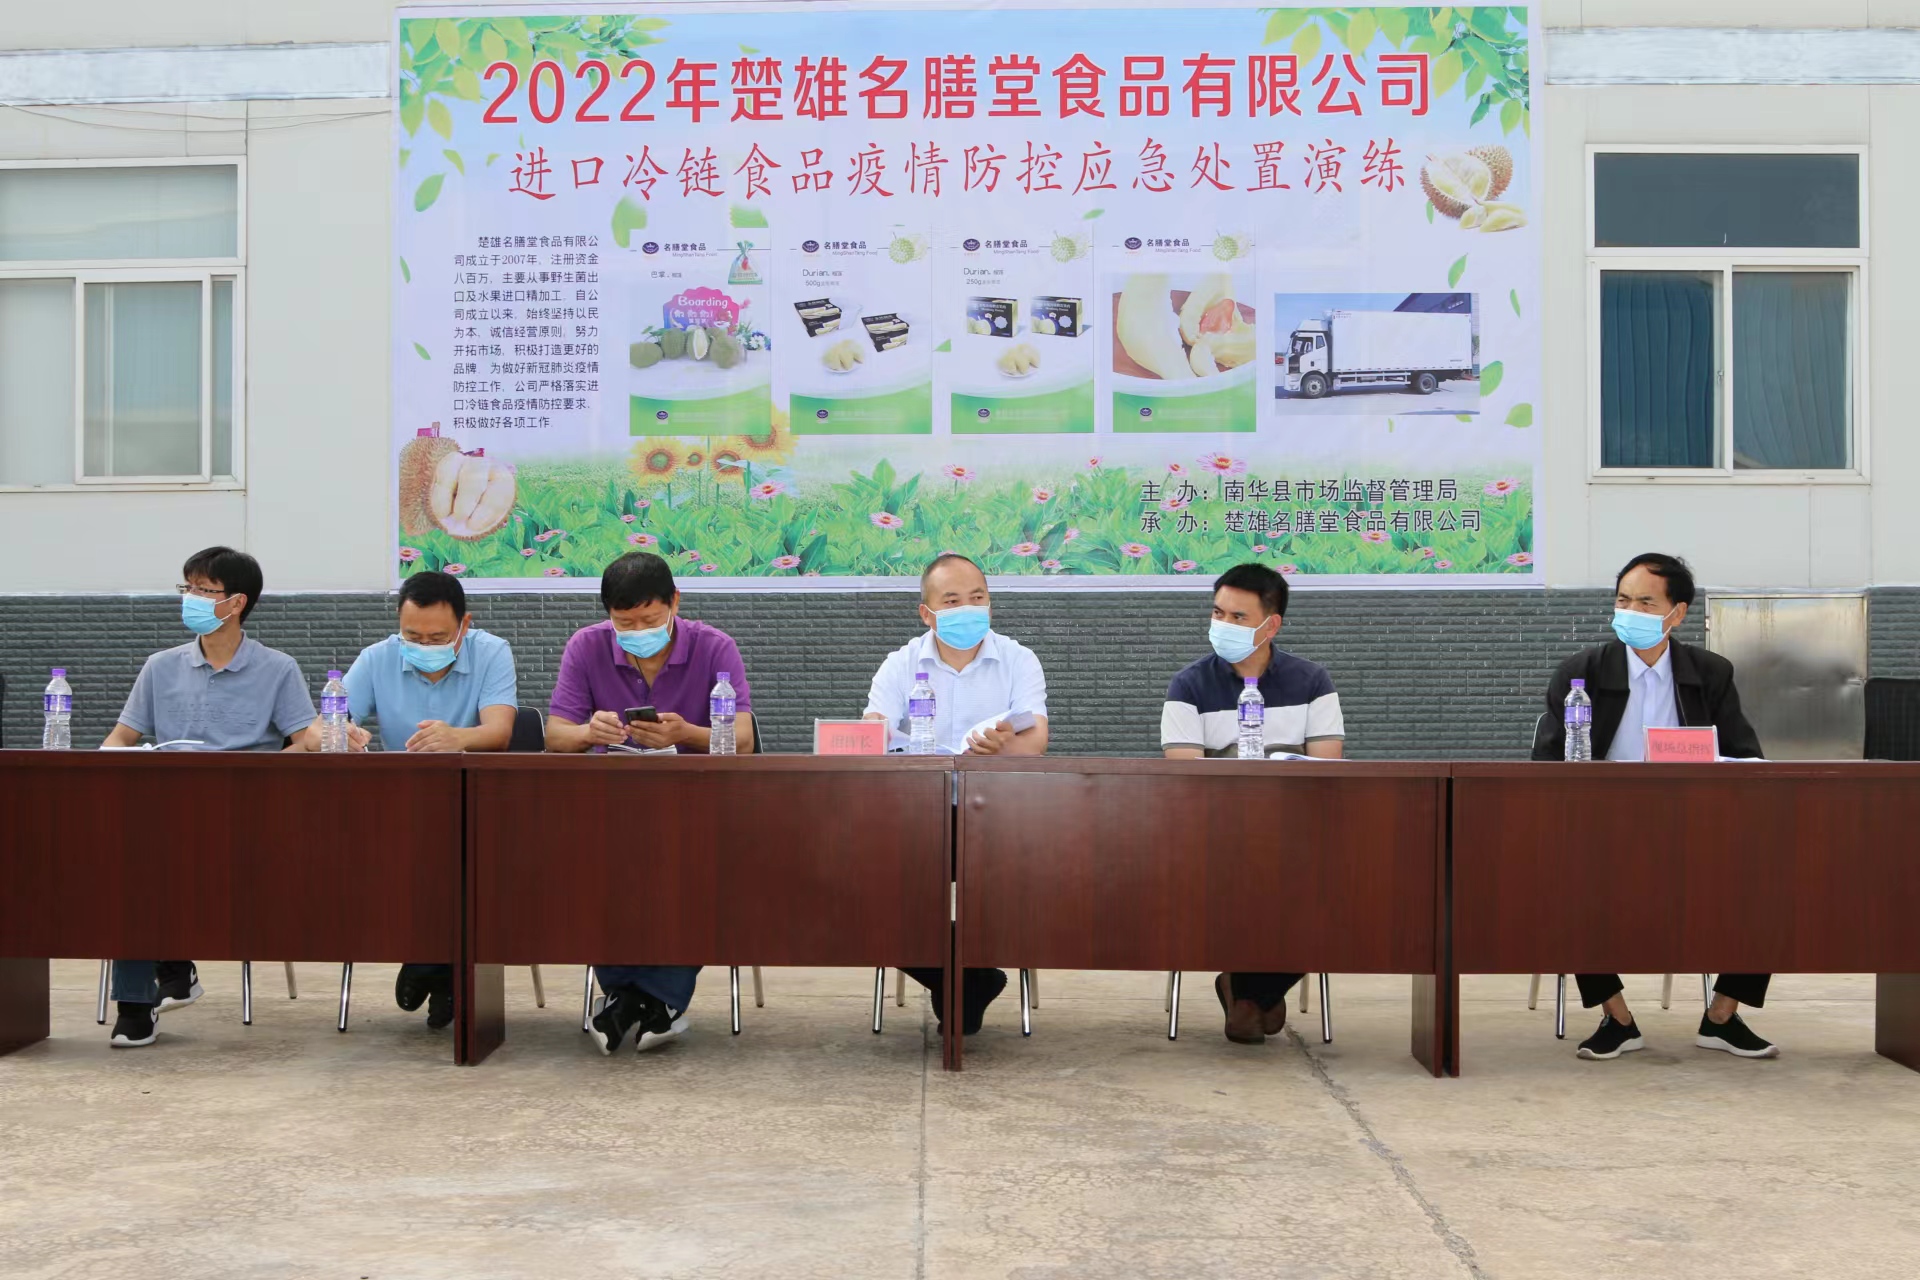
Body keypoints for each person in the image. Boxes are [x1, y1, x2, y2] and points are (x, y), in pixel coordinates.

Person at [1535, 552, 1775, 1062]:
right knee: (1564, 878)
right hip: (1601, 828)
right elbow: (1546, 765)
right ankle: (1616, 1018)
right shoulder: (1582, 673)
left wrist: (1714, 764)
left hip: (1694, 826)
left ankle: (1722, 1017)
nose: (1630, 611)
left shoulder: (1709, 673)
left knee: (1768, 878)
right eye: (1623, 600)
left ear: (1677, 613)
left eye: (1646, 602)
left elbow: (1747, 757)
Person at [101, 547, 322, 1048]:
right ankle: (137, 1003)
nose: (191, 599)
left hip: (246, 819)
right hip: (168, 815)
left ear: (236, 602)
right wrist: (103, 769)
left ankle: (173, 966)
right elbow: (121, 738)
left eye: (204, 590)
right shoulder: (161, 667)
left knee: (163, 866)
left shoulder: (278, 669)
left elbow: (304, 741)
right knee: (130, 865)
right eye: (188, 588)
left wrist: (263, 770)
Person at [547, 551, 754, 1055]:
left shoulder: (715, 647)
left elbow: (744, 739)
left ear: (675, 603)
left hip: (698, 807)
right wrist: (587, 732)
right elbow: (555, 735)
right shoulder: (586, 646)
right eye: (625, 623)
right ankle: (646, 1000)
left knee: (693, 867)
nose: (637, 631)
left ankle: (638, 999)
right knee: (594, 866)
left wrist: (687, 734)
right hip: (612, 807)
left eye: (649, 619)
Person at [1161, 562, 1345, 1045]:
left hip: (1297, 833)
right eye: (1217, 613)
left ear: (1271, 624)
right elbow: (1185, 776)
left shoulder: (1312, 681)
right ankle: (1255, 993)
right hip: (1218, 835)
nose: (1223, 625)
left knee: (1341, 883)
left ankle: (1246, 990)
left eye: (1238, 617)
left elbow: (1327, 768)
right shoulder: (1188, 685)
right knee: (1250, 872)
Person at [864, 553, 1049, 1034]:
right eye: (952, 601)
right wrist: (880, 732)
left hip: (997, 817)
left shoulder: (1018, 660)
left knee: (1004, 892)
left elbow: (1035, 740)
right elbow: (872, 733)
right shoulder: (901, 664)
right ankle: (971, 978)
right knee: (857, 884)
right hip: (917, 814)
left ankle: (960, 980)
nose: (968, 608)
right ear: (927, 613)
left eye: (977, 597)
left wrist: (1001, 746)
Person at [328, 570, 517, 1030]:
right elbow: (327, 722)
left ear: (465, 625)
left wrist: (458, 737)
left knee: (462, 856)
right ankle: (436, 962)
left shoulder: (492, 652)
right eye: (412, 636)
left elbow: (499, 731)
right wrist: (342, 732)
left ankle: (429, 959)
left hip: (475, 804)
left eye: (438, 637)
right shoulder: (377, 658)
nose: (424, 645)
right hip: (400, 807)